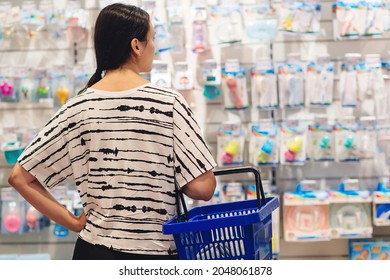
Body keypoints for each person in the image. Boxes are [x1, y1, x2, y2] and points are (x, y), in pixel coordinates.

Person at [8, 3, 217, 260]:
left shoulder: (77, 106)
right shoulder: (169, 102)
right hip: (153, 254)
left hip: (93, 253)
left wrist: (74, 223)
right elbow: (203, 188)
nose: (154, 46)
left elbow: (19, 177)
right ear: (136, 45)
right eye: (152, 38)